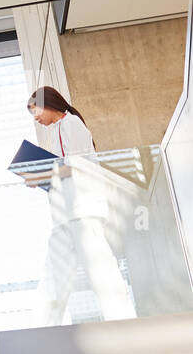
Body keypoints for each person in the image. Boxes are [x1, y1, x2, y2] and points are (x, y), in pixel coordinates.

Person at [27, 86, 135, 324]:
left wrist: (41, 174)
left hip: (83, 209)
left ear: (49, 103)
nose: (35, 118)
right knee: (55, 273)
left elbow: (75, 164)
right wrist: (41, 177)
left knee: (99, 266)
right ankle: (45, 326)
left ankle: (122, 319)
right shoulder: (57, 131)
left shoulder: (71, 124)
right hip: (66, 211)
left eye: (36, 111)